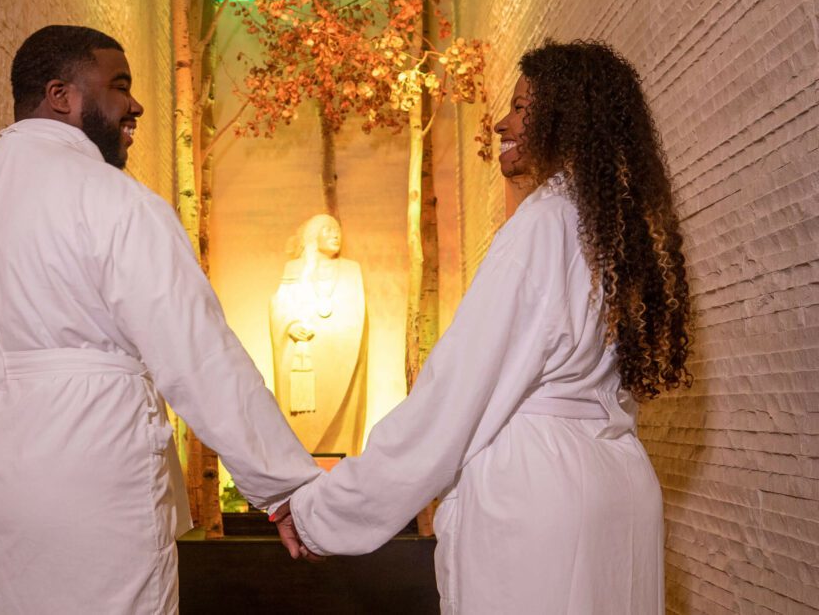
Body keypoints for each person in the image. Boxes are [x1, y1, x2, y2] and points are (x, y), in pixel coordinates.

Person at [276, 40, 694, 613]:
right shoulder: (619, 234)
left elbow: (451, 399)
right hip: (620, 490)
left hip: (540, 501)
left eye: (522, 106)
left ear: (566, 119)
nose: (503, 122)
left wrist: (325, 512)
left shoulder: (540, 228)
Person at [0, 25, 320, 615]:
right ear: (62, 95)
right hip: (92, 482)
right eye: (119, 86)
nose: (135, 105)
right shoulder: (115, 201)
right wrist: (283, 488)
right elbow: (199, 354)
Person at [270, 214, 367, 457]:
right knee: (304, 423)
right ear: (313, 236)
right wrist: (290, 325)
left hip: (341, 360)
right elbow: (279, 305)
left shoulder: (351, 270)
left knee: (343, 419)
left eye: (337, 230)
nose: (336, 234)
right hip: (306, 361)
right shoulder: (295, 269)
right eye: (328, 230)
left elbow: (358, 313)